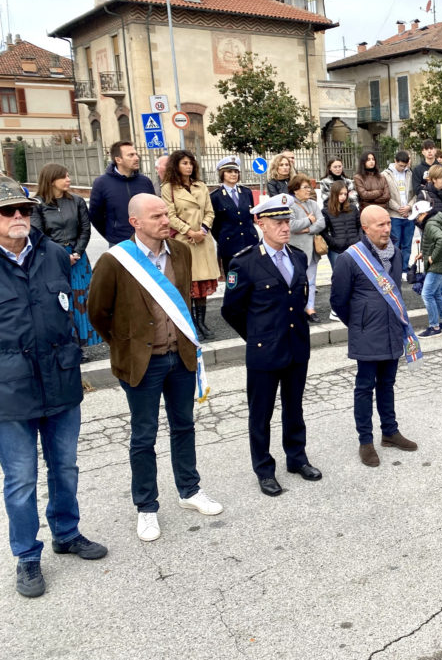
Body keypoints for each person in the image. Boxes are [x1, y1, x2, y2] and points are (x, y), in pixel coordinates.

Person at [88, 194, 222, 543]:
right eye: (157, 215)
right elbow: (98, 313)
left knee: (184, 426)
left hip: (180, 358)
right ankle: (146, 507)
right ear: (136, 222)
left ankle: (189, 491)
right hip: (141, 363)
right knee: (143, 436)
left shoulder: (180, 252)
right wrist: (126, 343)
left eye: (166, 213)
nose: (166, 220)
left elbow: (183, 302)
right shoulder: (114, 261)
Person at [0, 176, 107, 598]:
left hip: (61, 383)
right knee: (21, 480)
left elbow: (69, 314)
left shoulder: (55, 256)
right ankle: (27, 556)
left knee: (65, 467)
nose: (18, 217)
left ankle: (67, 532)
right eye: (7, 212)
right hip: (11, 392)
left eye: (23, 210)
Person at [222, 194, 322, 496]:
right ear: (260, 224)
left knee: (295, 407)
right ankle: (264, 469)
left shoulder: (297, 256)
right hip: (265, 351)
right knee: (261, 412)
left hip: (296, 347)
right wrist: (257, 337)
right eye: (277, 222)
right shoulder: (245, 262)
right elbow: (231, 310)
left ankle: (297, 458)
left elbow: (298, 300)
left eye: (287, 220)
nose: (285, 226)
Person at [330, 205, 420, 467]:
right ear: (365, 228)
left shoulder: (396, 253)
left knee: (387, 383)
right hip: (366, 333)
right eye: (380, 225)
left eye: (388, 224)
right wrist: (360, 322)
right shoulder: (350, 258)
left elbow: (395, 293)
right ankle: (366, 441)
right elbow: (338, 301)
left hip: (392, 330)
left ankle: (390, 432)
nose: (386, 229)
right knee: (364, 386)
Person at [31, 163, 101, 347]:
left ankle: (86, 341)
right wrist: (61, 256)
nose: (68, 179)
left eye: (68, 175)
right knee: (60, 300)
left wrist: (77, 252)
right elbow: (38, 234)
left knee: (83, 298)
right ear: (51, 180)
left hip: (78, 258)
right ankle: (68, 341)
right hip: (51, 257)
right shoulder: (37, 204)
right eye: (64, 176)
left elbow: (85, 229)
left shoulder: (76, 201)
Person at [161, 150, 219, 340]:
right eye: (184, 163)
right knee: (188, 284)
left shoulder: (200, 186)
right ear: (176, 165)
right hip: (183, 241)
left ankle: (202, 322)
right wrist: (189, 231)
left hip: (202, 240)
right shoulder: (168, 187)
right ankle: (191, 323)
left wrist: (202, 230)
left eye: (191, 163)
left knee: (202, 284)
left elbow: (210, 212)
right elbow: (169, 215)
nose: (189, 166)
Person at [89, 141, 155, 246]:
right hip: (119, 242)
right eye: (131, 155)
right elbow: (95, 215)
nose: (137, 158)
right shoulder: (102, 183)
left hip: (147, 241)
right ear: (118, 159)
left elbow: (154, 210)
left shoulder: (145, 181)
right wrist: (112, 235)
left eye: (136, 154)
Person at [210, 155, 259, 277]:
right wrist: (223, 238)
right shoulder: (215, 196)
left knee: (252, 278)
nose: (233, 174)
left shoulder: (246, 192)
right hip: (229, 244)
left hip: (249, 242)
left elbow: (250, 217)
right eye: (229, 171)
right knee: (234, 280)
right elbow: (215, 225)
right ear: (222, 174)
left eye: (236, 171)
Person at [410, 199, 442, 337]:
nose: (417, 220)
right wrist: (424, 253)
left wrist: (432, 257)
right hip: (441, 263)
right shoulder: (434, 220)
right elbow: (434, 241)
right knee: (436, 294)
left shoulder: (430, 224)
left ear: (423, 214)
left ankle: (434, 327)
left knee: (427, 294)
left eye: (417, 217)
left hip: (437, 265)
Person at [287, 174, 325, 323]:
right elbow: (291, 226)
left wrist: (307, 229)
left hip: (312, 249)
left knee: (311, 281)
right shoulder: (290, 205)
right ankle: (296, 309)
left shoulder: (313, 204)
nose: (309, 190)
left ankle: (310, 308)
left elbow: (321, 223)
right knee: (295, 282)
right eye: (305, 187)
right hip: (296, 249)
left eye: (309, 187)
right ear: (295, 190)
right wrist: (308, 220)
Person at [383, 150, 416, 274]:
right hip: (394, 215)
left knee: (407, 244)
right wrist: (398, 208)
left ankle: (404, 268)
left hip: (409, 214)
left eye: (405, 166)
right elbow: (386, 195)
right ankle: (395, 269)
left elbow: (415, 194)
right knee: (395, 244)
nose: (402, 168)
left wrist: (409, 206)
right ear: (395, 161)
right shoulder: (386, 175)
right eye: (400, 165)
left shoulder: (410, 174)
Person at [418, 165, 442, 255]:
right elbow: (418, 219)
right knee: (432, 268)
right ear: (434, 179)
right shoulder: (424, 195)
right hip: (431, 240)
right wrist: (431, 229)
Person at [321, 180, 360, 269]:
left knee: (355, 277)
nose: (343, 196)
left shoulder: (353, 209)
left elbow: (360, 226)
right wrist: (333, 242)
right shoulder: (326, 211)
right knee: (339, 277)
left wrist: (358, 239)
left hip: (354, 248)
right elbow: (323, 231)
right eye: (340, 194)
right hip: (336, 250)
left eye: (345, 194)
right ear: (334, 194)